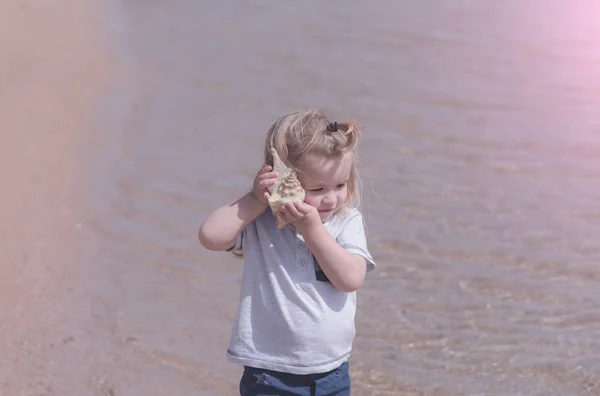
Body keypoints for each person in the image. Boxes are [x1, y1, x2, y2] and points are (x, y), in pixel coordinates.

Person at [198, 109, 376, 395]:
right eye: (317, 188)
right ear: (283, 179)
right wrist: (255, 199)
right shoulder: (261, 220)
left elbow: (350, 279)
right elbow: (210, 236)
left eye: (340, 185)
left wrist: (313, 229)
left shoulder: (347, 220)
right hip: (268, 370)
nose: (331, 197)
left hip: (331, 371)